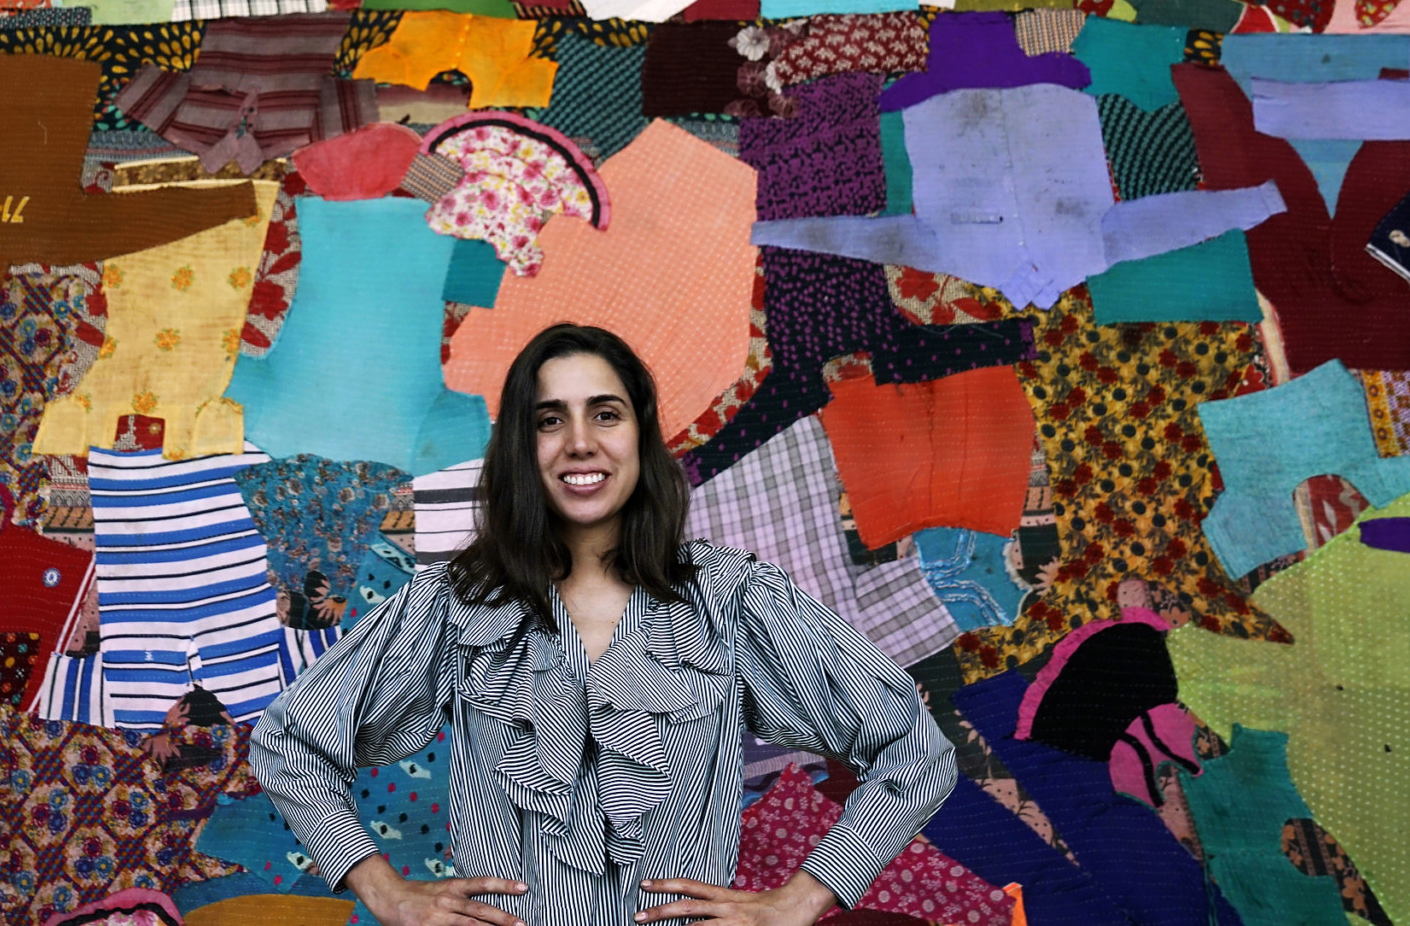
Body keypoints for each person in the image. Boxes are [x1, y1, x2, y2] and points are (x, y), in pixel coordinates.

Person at [253, 323, 955, 926]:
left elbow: (915, 752)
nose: (579, 442)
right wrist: (386, 892)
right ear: (521, 447)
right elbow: (291, 741)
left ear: (642, 436)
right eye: (549, 419)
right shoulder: (454, 601)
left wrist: (800, 898)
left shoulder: (731, 599)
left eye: (606, 414)